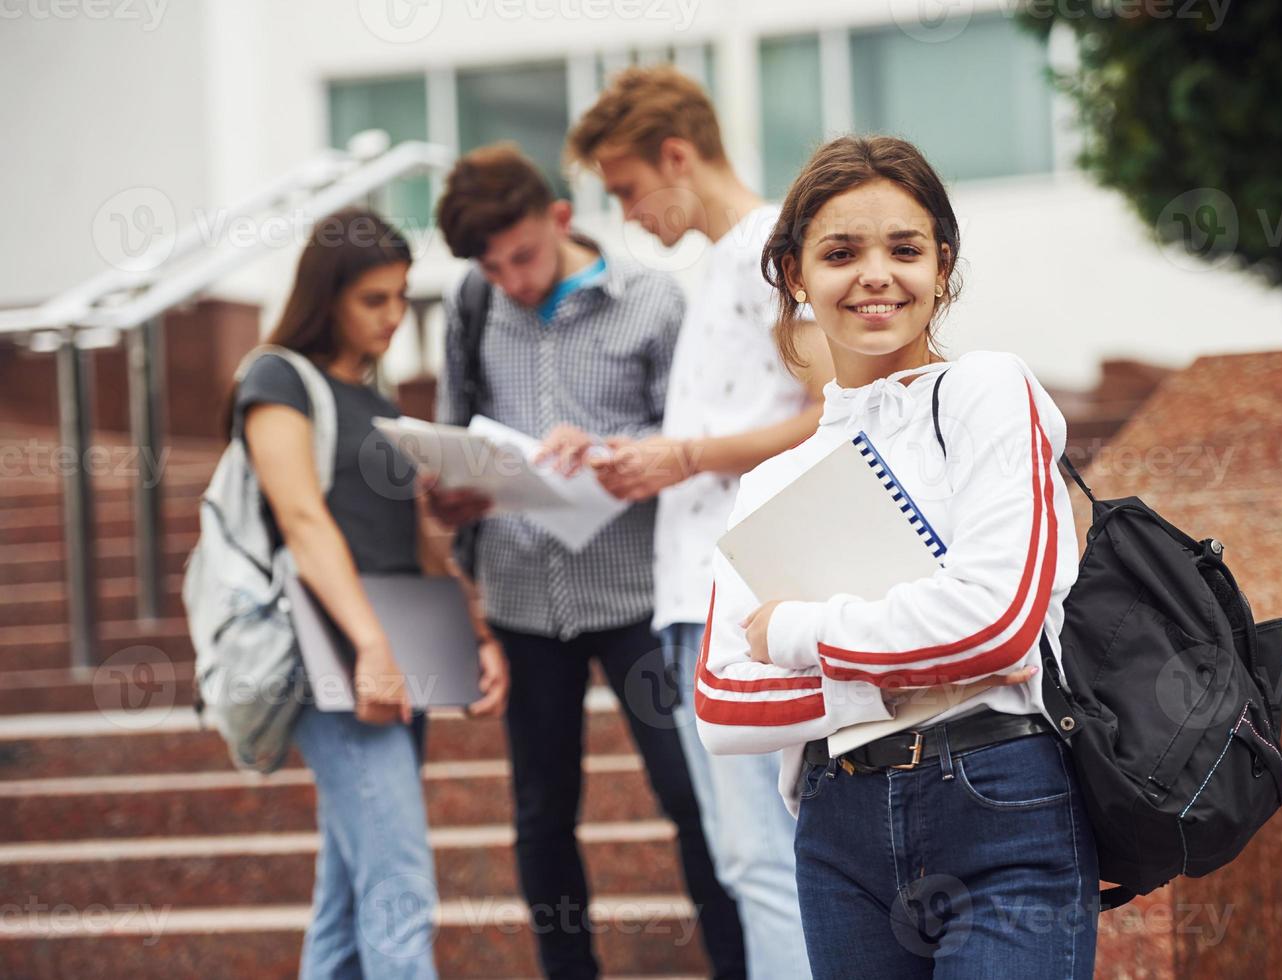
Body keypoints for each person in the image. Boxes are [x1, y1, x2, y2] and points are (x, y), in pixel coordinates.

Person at [694, 136, 1100, 978]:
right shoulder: (775, 478)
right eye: (841, 252)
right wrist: (903, 667)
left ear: (942, 268)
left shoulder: (988, 389)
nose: (876, 274)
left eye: (905, 250)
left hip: (998, 798)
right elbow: (721, 700)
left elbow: (996, 627)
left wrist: (799, 631)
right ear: (795, 274)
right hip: (838, 831)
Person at [428, 142, 745, 980]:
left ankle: (739, 965)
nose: (513, 281)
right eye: (492, 270)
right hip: (524, 600)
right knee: (540, 812)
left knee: (689, 795)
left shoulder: (650, 300)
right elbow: (454, 436)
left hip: (640, 594)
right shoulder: (471, 305)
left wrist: (610, 448)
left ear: (560, 218)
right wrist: (451, 495)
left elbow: (687, 434)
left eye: (522, 257)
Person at [564, 65, 830, 980]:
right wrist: (632, 452)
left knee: (767, 861)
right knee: (746, 860)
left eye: (628, 187)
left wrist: (678, 458)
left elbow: (830, 411)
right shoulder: (722, 266)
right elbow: (729, 429)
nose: (626, 212)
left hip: (747, 600)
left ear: (677, 155)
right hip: (695, 601)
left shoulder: (770, 251)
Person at [227, 206, 510, 979]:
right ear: (328, 296)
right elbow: (302, 520)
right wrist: (372, 648)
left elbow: (410, 544)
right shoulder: (277, 376)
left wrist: (475, 637)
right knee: (399, 888)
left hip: (395, 646)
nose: (394, 317)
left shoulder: (379, 404)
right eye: (374, 300)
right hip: (335, 657)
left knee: (349, 898)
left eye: (401, 296)